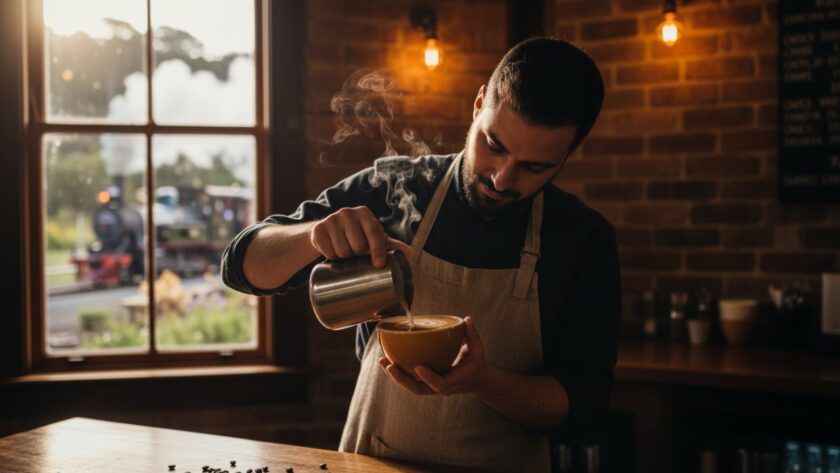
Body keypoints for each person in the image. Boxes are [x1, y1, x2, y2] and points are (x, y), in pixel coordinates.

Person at [222, 37, 620, 472]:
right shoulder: (396, 187)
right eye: (494, 145)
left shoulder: (583, 239)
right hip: (373, 463)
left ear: (567, 154)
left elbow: (584, 410)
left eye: (534, 167)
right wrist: (312, 236)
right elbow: (240, 267)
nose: (502, 179)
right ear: (479, 105)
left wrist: (485, 383)